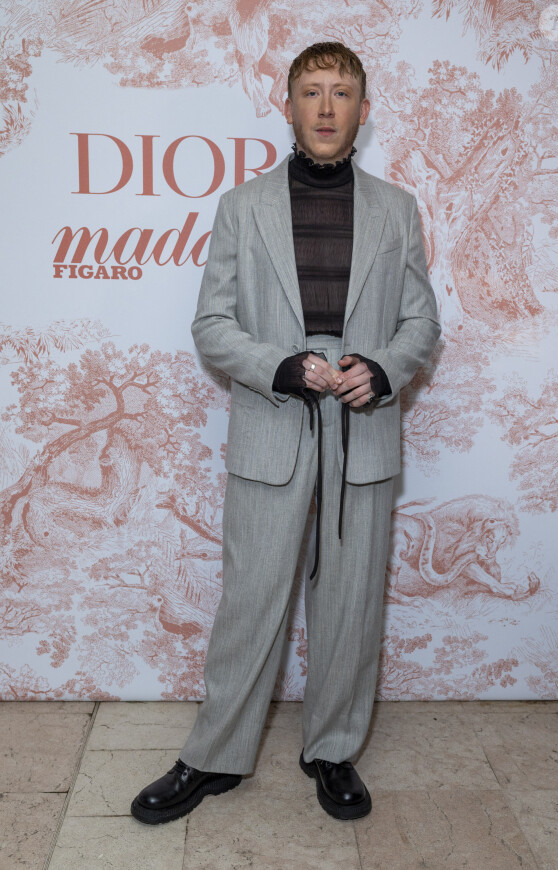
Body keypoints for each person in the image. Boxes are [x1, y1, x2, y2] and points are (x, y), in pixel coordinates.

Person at [131, 41, 440, 825]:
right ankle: (214, 756)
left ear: (364, 111)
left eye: (342, 93)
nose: (327, 107)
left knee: (351, 602)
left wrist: (384, 367)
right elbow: (212, 324)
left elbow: (421, 322)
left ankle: (332, 750)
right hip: (275, 422)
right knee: (252, 598)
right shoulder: (241, 206)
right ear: (290, 106)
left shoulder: (399, 209)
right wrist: (282, 366)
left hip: (363, 432)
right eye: (312, 91)